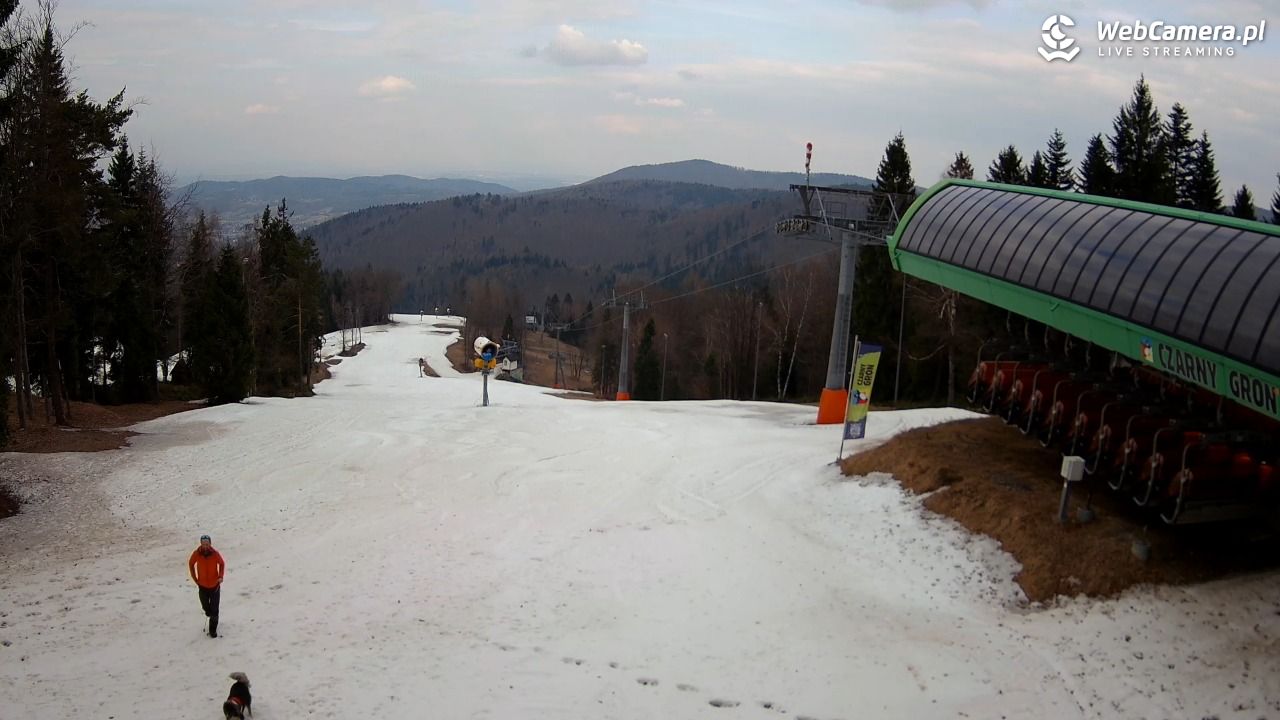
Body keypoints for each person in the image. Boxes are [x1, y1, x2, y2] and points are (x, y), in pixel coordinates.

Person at [188, 534, 225, 637]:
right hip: (202, 586)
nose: (205, 546)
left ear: (210, 544)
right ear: (201, 544)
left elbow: (222, 564)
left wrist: (220, 576)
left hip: (215, 586)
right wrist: (195, 578)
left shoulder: (215, 554)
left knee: (214, 610)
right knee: (206, 607)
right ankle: (208, 612)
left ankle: (213, 630)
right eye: (203, 544)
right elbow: (191, 564)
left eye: (207, 544)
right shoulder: (196, 554)